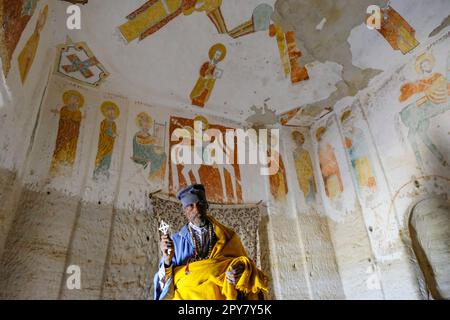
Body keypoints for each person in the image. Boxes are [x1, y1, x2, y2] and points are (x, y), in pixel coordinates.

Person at [154, 184, 268, 300]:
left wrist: (236, 272)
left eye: (200, 204)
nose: (197, 210)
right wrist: (167, 260)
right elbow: (164, 287)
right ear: (184, 211)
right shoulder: (176, 242)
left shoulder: (227, 236)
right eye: (191, 206)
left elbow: (244, 267)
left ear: (206, 205)